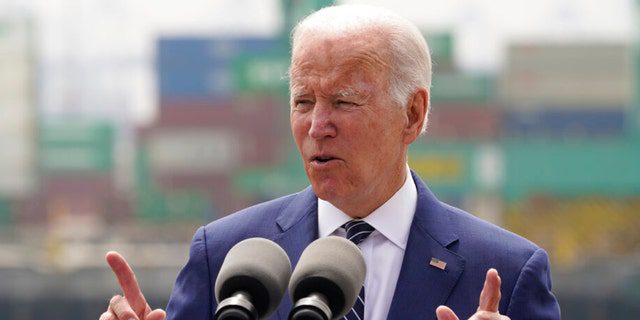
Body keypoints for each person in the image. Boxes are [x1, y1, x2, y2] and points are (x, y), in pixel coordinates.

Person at [100, 4, 561, 320]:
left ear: (413, 114)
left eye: (343, 102)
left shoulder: (507, 272)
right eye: (303, 101)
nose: (318, 125)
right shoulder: (221, 255)